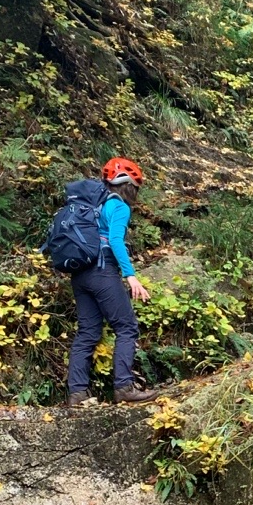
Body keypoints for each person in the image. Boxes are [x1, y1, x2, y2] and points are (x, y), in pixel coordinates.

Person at [66, 156, 157, 409]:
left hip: (80, 273)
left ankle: (77, 394)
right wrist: (131, 276)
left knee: (87, 332)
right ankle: (124, 388)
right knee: (127, 327)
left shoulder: (91, 205)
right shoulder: (119, 206)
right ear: (130, 186)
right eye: (136, 188)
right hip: (103, 271)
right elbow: (116, 240)